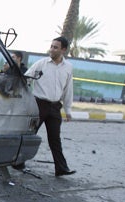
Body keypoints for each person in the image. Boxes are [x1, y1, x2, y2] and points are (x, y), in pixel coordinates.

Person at [24, 37, 76, 177]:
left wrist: (68, 110)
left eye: (55, 47)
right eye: (51, 46)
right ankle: (18, 162)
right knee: (29, 134)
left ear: (63, 50)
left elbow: (67, 89)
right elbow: (26, 78)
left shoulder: (68, 67)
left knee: (55, 139)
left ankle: (61, 169)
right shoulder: (41, 64)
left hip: (55, 108)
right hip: (39, 105)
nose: (51, 49)